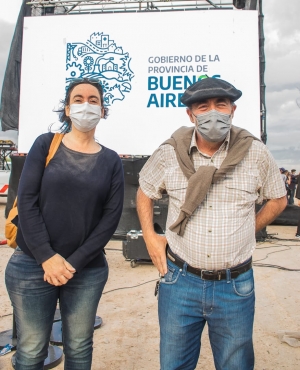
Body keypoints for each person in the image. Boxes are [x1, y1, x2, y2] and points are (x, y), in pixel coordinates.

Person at [136, 77, 287, 370]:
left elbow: (278, 198)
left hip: (235, 285)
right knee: (174, 364)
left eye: (221, 104)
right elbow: (145, 191)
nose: (213, 112)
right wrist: (150, 238)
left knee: (235, 365)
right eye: (203, 107)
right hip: (180, 281)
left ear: (233, 110)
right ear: (191, 115)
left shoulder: (254, 152)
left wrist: (248, 228)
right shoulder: (170, 152)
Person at [5, 78, 124, 370]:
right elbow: (27, 202)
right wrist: (47, 257)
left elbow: (110, 219)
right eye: (79, 99)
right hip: (32, 265)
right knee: (32, 351)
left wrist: (72, 263)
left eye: (93, 100)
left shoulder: (110, 161)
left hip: (86, 271)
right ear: (68, 109)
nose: (86, 105)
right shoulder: (46, 144)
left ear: (103, 111)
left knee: (80, 348)